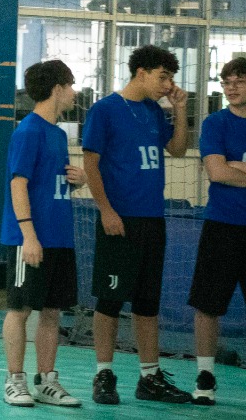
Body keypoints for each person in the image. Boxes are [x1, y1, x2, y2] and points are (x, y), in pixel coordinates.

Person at [81, 44, 192, 404]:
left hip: (151, 219)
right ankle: (103, 374)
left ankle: (149, 377)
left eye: (171, 78)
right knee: (110, 301)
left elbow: (176, 150)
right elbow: (91, 165)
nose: (167, 84)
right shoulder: (105, 110)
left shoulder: (155, 112)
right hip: (119, 219)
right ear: (140, 72)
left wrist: (180, 111)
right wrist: (106, 211)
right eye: (163, 77)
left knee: (148, 304)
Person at [0, 59, 84, 408]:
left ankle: (46, 381)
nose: (75, 92)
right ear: (57, 89)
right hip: (31, 238)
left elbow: (47, 185)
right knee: (20, 309)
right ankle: (14, 380)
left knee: (52, 311)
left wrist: (77, 182)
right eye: (71, 85)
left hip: (60, 237)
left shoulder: (58, 134)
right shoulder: (29, 131)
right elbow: (18, 184)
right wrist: (28, 236)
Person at [188, 56, 246, 406]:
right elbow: (218, 172)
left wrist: (235, 166)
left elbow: (229, 169)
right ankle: (205, 376)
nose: (232, 86)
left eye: (239, 80)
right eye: (226, 82)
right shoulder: (215, 123)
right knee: (208, 305)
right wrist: (229, 167)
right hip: (222, 226)